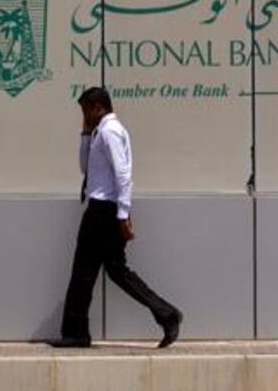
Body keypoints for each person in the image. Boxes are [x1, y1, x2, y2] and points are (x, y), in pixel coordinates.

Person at [49, 86, 182, 349]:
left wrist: (123, 214)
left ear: (98, 107)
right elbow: (84, 168)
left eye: (86, 110)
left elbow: (123, 175)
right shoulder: (101, 132)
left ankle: (76, 332)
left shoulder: (110, 132)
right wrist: (86, 133)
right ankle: (167, 314)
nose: (84, 116)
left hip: (103, 211)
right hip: (105, 209)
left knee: (83, 272)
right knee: (116, 270)